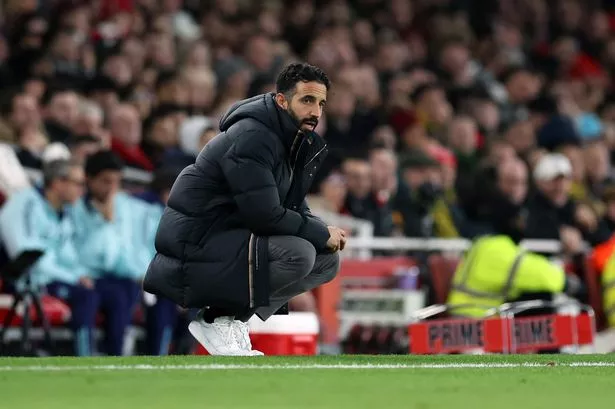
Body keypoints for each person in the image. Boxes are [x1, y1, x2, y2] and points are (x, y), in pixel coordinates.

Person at [144, 63, 344, 356]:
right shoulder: (253, 137)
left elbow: (295, 207)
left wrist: (322, 231)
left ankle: (233, 319)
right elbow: (264, 214)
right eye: (307, 100)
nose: (316, 112)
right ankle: (216, 318)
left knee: (327, 261)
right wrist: (318, 232)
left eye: (321, 103)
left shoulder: (290, 141)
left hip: (229, 242)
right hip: (197, 246)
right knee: (299, 254)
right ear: (281, 101)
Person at [447, 159, 583, 317]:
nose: (516, 190)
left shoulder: (503, 232)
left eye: (521, 183)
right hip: (472, 325)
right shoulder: (490, 238)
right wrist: (567, 282)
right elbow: (529, 269)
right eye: (510, 182)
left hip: (478, 321)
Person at [0, 159, 98, 356]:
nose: (83, 190)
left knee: (113, 288)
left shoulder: (64, 212)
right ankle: (83, 355)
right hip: (23, 281)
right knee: (86, 295)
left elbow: (70, 255)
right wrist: (73, 278)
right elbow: (27, 256)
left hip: (54, 278)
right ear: (57, 183)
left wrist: (80, 274)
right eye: (78, 183)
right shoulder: (24, 205)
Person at [71, 151, 144, 356]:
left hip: (112, 277)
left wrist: (139, 274)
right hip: (83, 276)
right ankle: (83, 357)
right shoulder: (74, 208)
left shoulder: (121, 206)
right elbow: (77, 252)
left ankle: (117, 355)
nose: (111, 188)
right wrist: (104, 224)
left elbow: (121, 255)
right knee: (88, 298)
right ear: (88, 179)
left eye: (116, 182)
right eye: (105, 181)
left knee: (124, 292)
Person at [134, 167, 182, 355]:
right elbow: (138, 247)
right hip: (142, 274)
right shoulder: (145, 212)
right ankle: (159, 354)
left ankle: (179, 351)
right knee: (166, 303)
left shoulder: (173, 215)